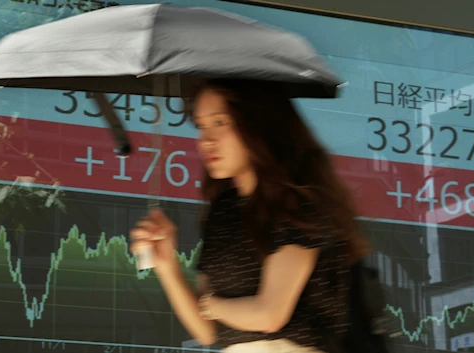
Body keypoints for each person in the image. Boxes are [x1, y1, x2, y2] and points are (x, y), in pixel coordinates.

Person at [130, 79, 371, 353]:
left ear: (259, 124)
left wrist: (212, 305)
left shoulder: (296, 204)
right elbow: (207, 332)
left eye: (220, 122)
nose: (206, 140)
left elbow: (269, 314)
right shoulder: (222, 212)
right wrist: (167, 266)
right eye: (201, 125)